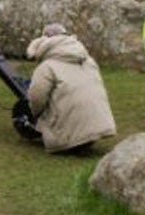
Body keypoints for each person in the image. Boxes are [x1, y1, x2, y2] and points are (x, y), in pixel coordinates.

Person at [25, 23, 116, 153]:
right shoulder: (88, 61)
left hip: (66, 133)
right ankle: (87, 135)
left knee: (46, 104)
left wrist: (34, 114)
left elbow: (37, 98)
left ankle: (69, 139)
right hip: (100, 124)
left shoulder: (47, 67)